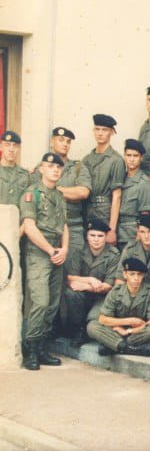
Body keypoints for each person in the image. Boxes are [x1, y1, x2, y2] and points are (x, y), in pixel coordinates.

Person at [20, 152, 68, 370]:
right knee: (39, 301)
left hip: (56, 251)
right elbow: (29, 227)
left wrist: (64, 249)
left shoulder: (59, 195)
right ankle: (30, 348)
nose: (55, 170)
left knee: (52, 303)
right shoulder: (32, 194)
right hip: (39, 252)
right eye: (50, 166)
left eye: (58, 167)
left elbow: (64, 226)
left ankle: (41, 347)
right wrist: (50, 250)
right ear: (41, 169)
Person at [87, 257, 150, 357]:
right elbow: (103, 319)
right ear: (125, 274)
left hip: (137, 333)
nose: (136, 278)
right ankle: (130, 349)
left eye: (139, 274)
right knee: (92, 326)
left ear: (143, 275)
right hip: (117, 331)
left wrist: (129, 331)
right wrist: (129, 321)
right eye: (132, 274)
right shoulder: (116, 291)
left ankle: (114, 346)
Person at [60, 218, 119, 345]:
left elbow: (108, 286)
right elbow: (69, 278)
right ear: (87, 236)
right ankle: (78, 331)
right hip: (83, 296)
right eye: (92, 235)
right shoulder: (78, 251)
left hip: (102, 298)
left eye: (100, 236)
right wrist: (90, 280)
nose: (96, 239)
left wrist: (86, 286)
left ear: (106, 237)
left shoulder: (113, 255)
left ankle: (92, 332)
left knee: (94, 319)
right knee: (71, 293)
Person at [36, 127, 91, 254]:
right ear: (52, 142)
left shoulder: (78, 167)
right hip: (46, 228)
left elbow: (83, 192)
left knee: (72, 264)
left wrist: (54, 190)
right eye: (61, 140)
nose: (65, 144)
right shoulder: (41, 168)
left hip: (72, 227)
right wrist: (70, 193)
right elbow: (36, 193)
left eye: (68, 141)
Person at [82, 114, 125, 244]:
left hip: (105, 212)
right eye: (97, 129)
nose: (100, 133)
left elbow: (117, 196)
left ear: (112, 132)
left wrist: (112, 229)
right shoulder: (87, 159)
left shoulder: (116, 160)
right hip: (87, 210)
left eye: (104, 130)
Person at [117, 139, 150, 249]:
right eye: (129, 155)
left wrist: (139, 236)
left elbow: (145, 213)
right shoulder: (120, 178)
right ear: (124, 156)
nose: (132, 159)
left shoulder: (144, 182)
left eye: (135, 156)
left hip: (132, 233)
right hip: (117, 230)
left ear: (141, 158)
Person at [0, 130, 29, 207]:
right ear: (1, 147)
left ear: (19, 148)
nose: (11, 149)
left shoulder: (25, 175)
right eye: (7, 145)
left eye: (15, 146)